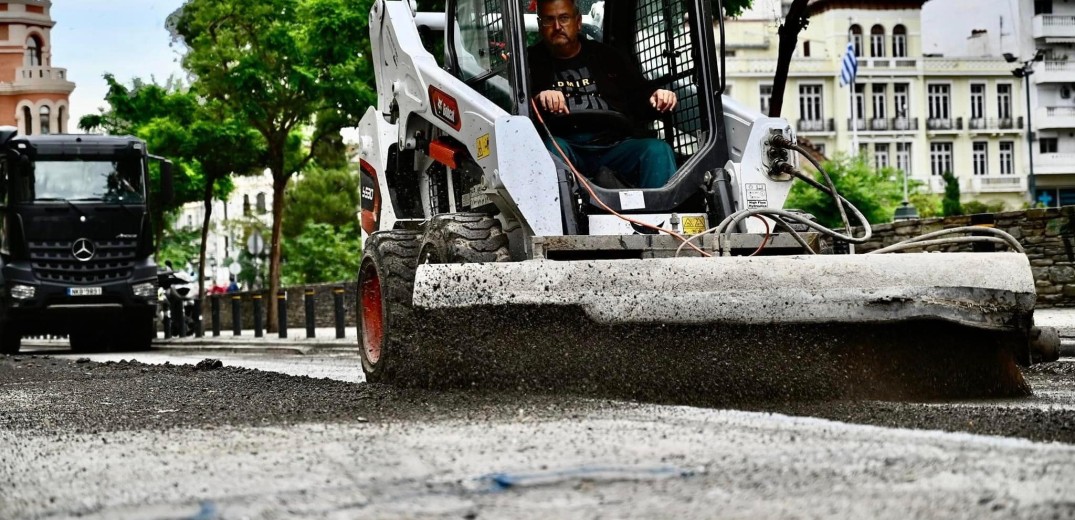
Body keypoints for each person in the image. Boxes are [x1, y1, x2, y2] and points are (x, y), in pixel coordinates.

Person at [528, 0, 678, 189]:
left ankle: (659, 217)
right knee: (549, 151)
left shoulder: (607, 56)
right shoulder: (528, 62)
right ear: (541, 25)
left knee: (657, 150)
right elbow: (518, 106)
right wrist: (540, 97)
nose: (558, 26)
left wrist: (656, 97)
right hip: (566, 145)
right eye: (549, 20)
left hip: (614, 144)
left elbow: (639, 93)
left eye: (564, 18)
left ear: (578, 22)